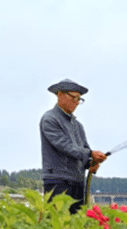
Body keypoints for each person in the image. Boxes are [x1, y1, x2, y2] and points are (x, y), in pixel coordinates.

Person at [40, 78, 107, 214]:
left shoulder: (78, 126)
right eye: (73, 98)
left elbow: (84, 150)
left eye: (79, 99)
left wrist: (90, 163)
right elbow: (65, 146)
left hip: (77, 181)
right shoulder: (49, 119)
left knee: (76, 226)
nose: (76, 103)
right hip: (57, 182)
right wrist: (90, 154)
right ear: (60, 94)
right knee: (57, 224)